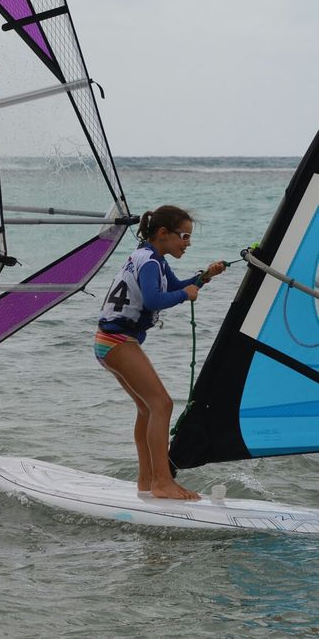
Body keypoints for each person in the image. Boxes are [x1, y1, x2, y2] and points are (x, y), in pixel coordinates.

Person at [95, 205, 226, 500]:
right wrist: (184, 296)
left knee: (147, 408)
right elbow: (155, 300)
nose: (187, 243)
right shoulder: (151, 262)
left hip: (108, 341)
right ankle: (162, 482)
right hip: (118, 340)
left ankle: (146, 480)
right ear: (163, 234)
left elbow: (178, 285)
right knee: (162, 405)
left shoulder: (150, 256)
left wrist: (204, 277)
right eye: (184, 236)